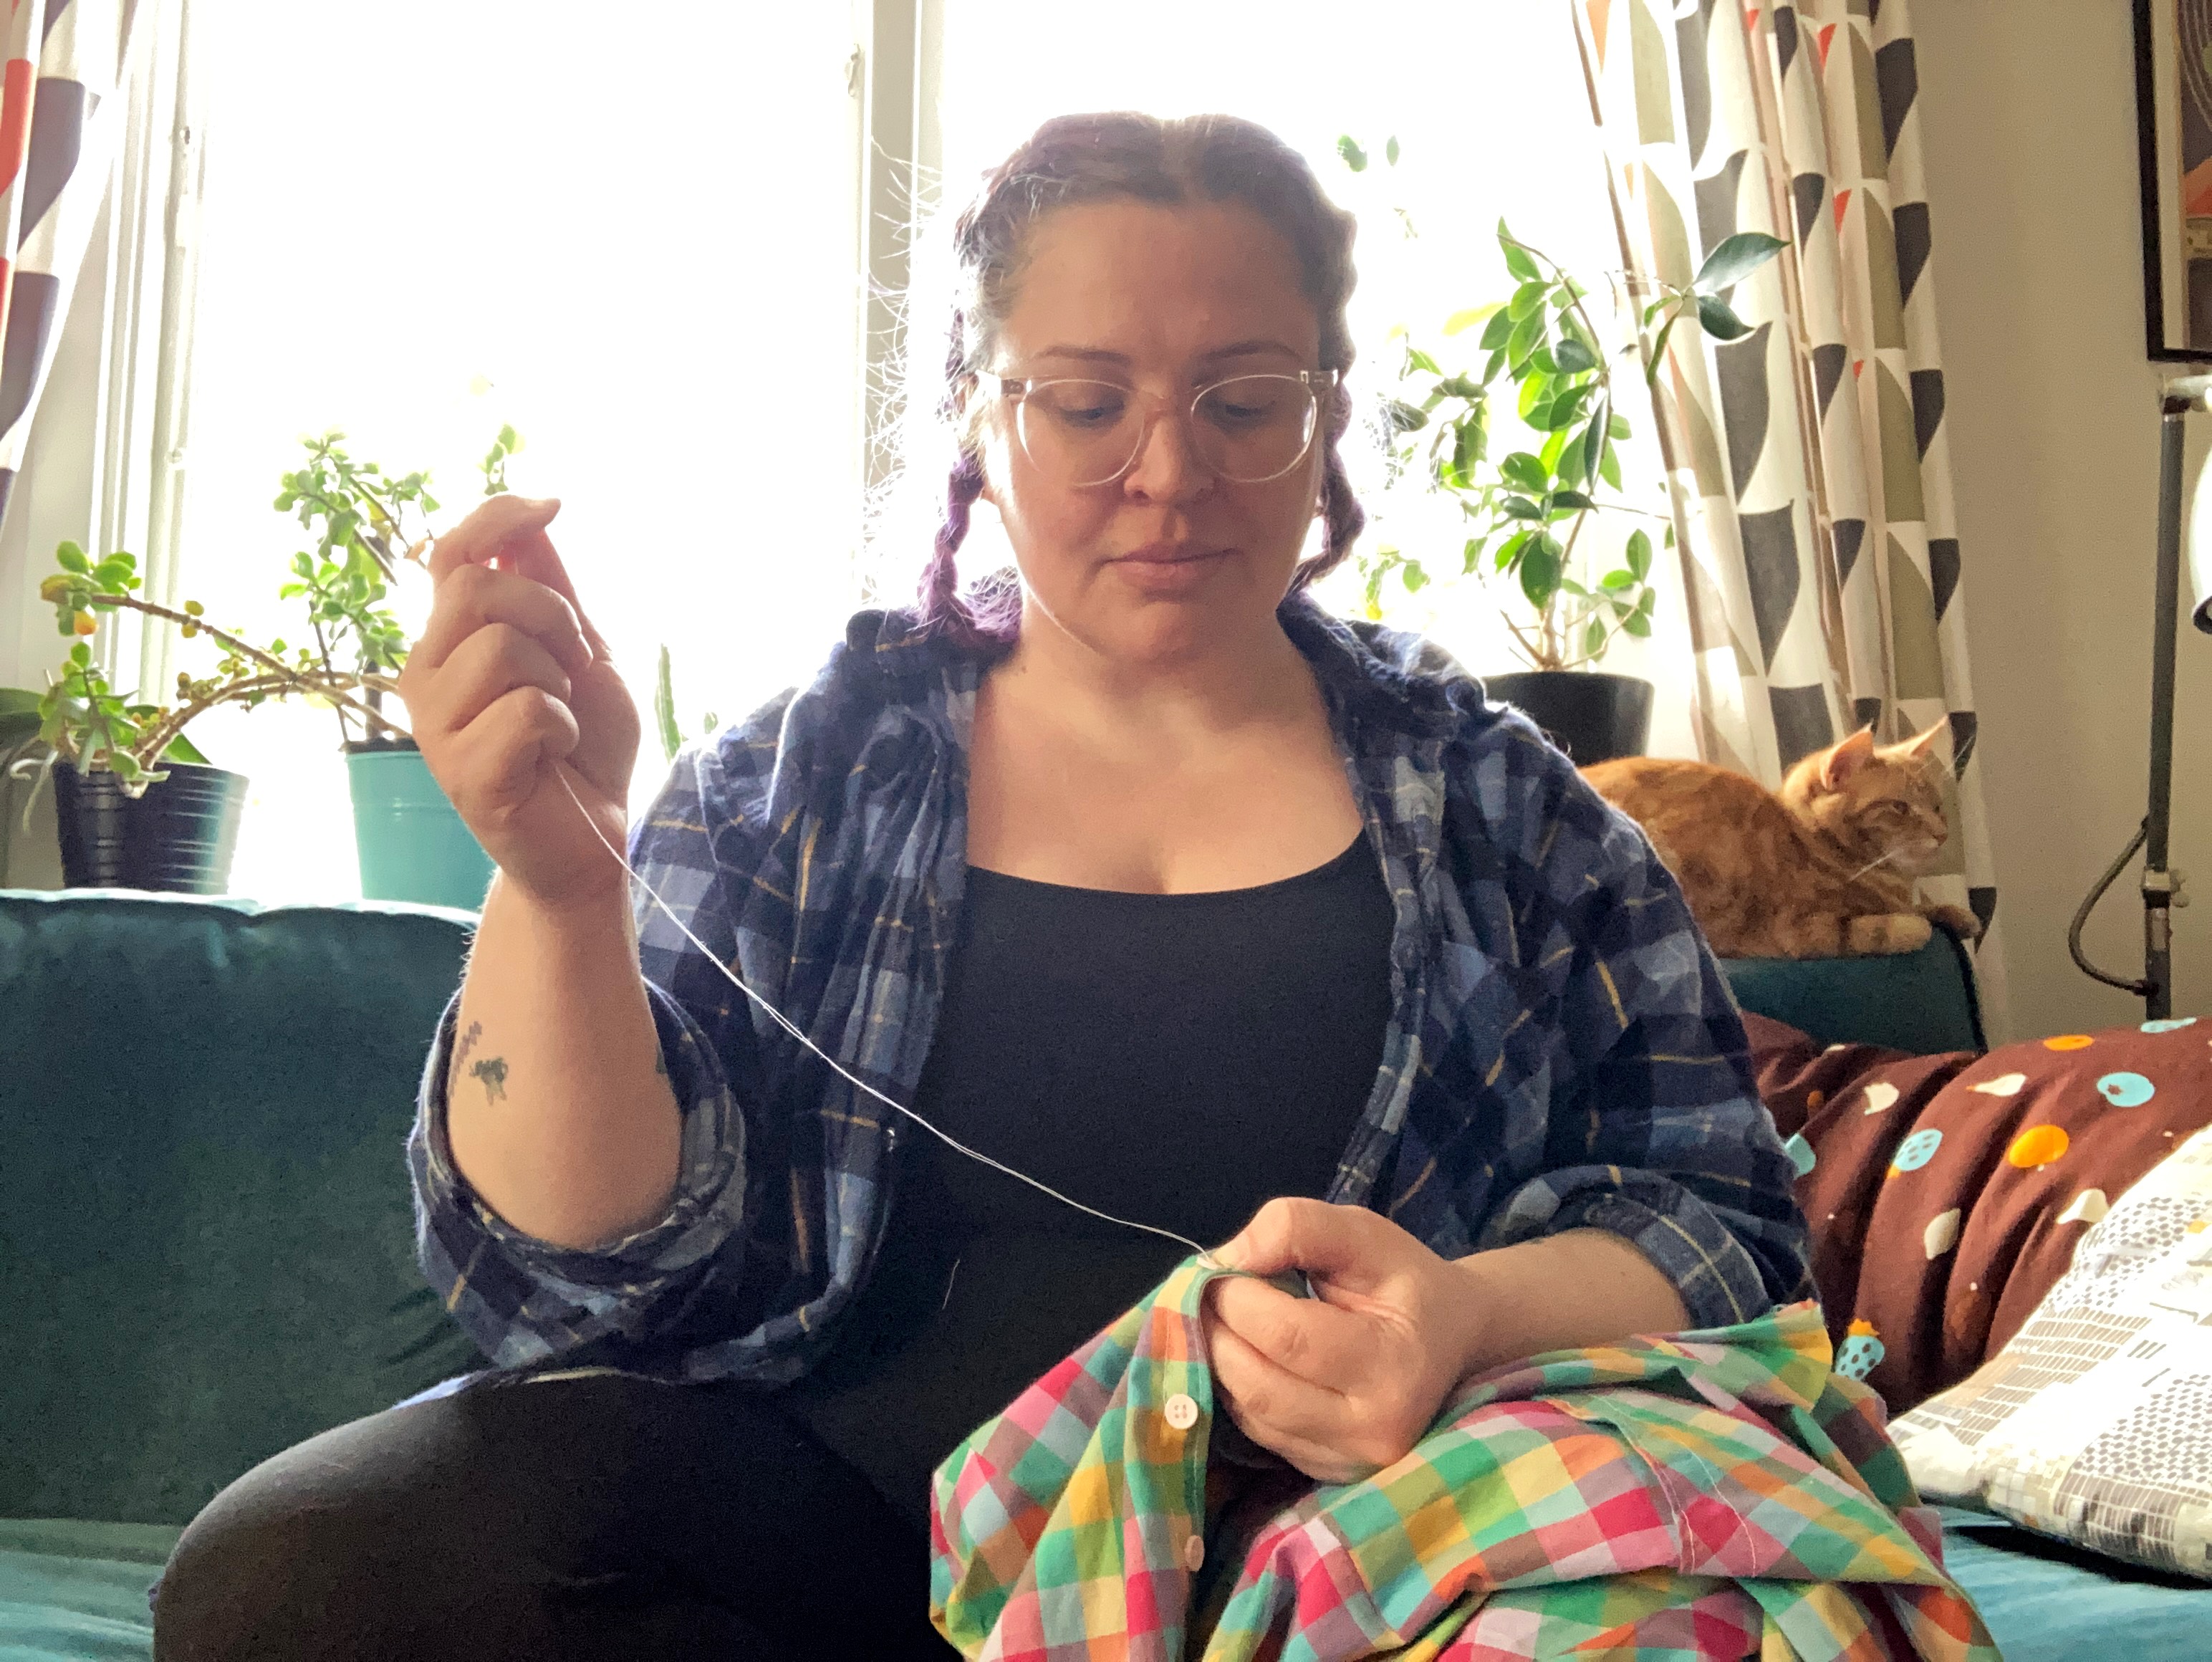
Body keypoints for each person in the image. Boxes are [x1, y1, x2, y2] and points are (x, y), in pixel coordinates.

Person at [151, 111, 1809, 1660]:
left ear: (1324, 414)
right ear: (975, 407)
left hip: (1312, 1573)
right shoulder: (806, 774)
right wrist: (560, 884)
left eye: (1243, 402)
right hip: (810, 1559)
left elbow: (1718, 1216)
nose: (1168, 471)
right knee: (304, 1572)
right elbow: (583, 1272)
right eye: (1085, 403)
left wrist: (1458, 1313)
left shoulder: (1509, 816)